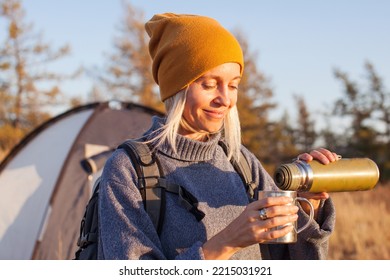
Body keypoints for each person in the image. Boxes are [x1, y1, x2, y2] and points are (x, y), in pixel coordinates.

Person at [97, 13, 337, 260]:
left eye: (233, 85)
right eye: (210, 84)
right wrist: (228, 242)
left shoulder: (240, 160)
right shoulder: (128, 169)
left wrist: (308, 207)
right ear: (177, 87)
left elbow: (292, 261)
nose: (225, 100)